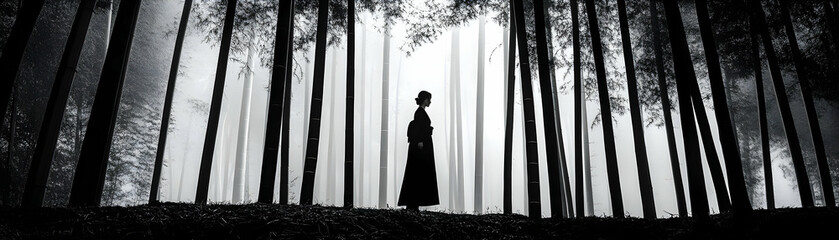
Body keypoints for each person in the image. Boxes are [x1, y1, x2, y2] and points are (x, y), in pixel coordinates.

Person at [398, 90, 439, 211]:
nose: (430, 101)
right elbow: (418, 127)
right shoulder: (419, 113)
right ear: (425, 99)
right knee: (417, 173)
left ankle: (414, 203)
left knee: (419, 174)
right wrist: (420, 141)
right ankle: (412, 203)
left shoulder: (420, 112)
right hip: (420, 147)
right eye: (428, 99)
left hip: (423, 146)